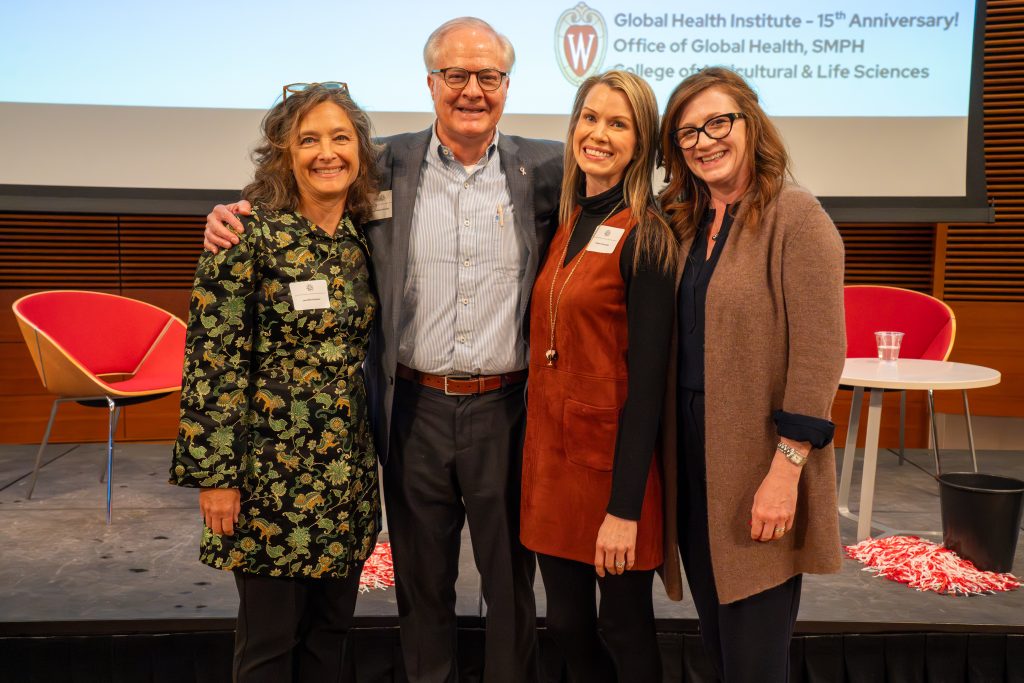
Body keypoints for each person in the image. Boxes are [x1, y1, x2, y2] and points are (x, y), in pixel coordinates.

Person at [202, 18, 563, 683]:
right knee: (420, 586)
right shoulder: (382, 164)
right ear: (431, 82)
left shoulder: (546, 167)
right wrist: (231, 212)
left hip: (507, 412)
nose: (472, 90)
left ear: (507, 85)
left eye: (489, 76)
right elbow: (301, 179)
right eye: (456, 74)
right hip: (413, 409)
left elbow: (616, 205)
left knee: (511, 586)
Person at [170, 82, 381, 682]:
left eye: (341, 137)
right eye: (307, 139)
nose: (327, 152)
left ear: (360, 150)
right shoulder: (244, 236)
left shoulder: (358, 242)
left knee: (330, 637)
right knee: (268, 644)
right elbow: (212, 364)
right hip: (268, 482)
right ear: (283, 154)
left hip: (344, 480)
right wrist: (216, 480)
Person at [657, 66, 846, 682]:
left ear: (750, 123)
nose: (705, 141)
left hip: (759, 464)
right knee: (717, 643)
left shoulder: (797, 217)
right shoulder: (685, 220)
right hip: (692, 458)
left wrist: (785, 471)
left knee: (754, 657)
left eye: (718, 122)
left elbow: (820, 354)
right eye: (687, 133)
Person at [519, 70, 680, 682]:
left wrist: (625, 510)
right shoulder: (566, 219)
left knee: (624, 626)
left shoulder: (649, 236)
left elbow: (647, 391)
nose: (599, 133)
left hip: (615, 470)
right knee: (565, 624)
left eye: (619, 124)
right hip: (554, 462)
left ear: (642, 142)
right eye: (590, 117)